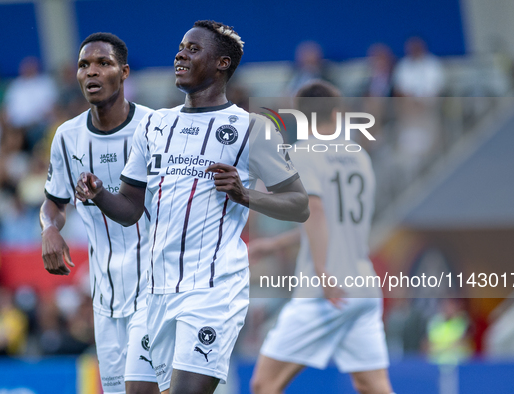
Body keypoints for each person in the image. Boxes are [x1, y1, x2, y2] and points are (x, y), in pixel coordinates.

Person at [74, 20, 309, 394]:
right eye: (181, 47)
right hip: (153, 293)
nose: (180, 54)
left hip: (211, 291)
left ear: (222, 64)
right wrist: (100, 194)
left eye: (194, 49)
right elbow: (131, 208)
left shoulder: (253, 129)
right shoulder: (155, 125)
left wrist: (245, 194)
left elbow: (299, 204)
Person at [249, 81, 393, 394]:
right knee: (374, 386)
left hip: (326, 290)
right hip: (362, 286)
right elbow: (333, 221)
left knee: (264, 384)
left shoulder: (302, 154)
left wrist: (322, 270)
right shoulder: (359, 157)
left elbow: (315, 209)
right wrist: (275, 244)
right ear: (338, 113)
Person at [40, 32, 160, 394]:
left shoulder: (156, 127)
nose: (91, 72)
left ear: (124, 73)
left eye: (103, 63)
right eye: (83, 65)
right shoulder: (66, 136)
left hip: (156, 287)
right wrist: (49, 228)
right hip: (105, 296)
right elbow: (54, 202)